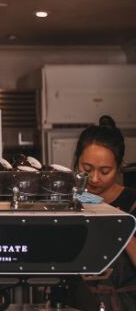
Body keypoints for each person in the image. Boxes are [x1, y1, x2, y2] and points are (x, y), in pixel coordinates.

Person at [74, 115, 136, 310]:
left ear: (118, 168)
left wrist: (123, 231)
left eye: (105, 170)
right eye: (87, 168)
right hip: (76, 302)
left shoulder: (133, 202)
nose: (94, 178)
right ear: (77, 162)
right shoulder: (71, 200)